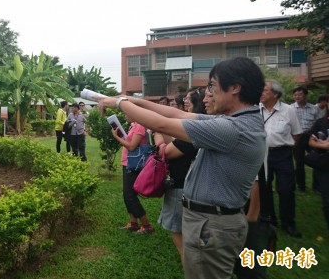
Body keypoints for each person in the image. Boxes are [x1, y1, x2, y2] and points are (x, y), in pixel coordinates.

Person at [96, 57, 266, 279]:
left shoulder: (232, 129)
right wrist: (129, 99)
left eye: (212, 86)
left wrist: (118, 104)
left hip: (212, 224)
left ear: (235, 88)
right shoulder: (238, 122)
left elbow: (162, 124)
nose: (209, 93)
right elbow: (177, 114)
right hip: (212, 220)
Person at [153, 88, 204, 265]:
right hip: (190, 186)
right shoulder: (199, 127)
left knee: (181, 236)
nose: (184, 102)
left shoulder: (195, 130)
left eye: (188, 99)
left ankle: (189, 267)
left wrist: (158, 134)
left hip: (181, 186)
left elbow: (168, 152)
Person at [261, 80, 303, 238]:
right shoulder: (256, 109)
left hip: (283, 154)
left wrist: (286, 147)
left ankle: (288, 223)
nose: (261, 93)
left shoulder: (288, 110)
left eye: (264, 90)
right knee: (264, 188)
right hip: (262, 154)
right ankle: (270, 220)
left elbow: (296, 134)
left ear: (275, 94)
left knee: (286, 189)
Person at [113, 116, 154, 234]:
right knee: (127, 195)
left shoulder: (139, 126)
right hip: (127, 163)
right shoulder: (134, 125)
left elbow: (132, 146)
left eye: (127, 113)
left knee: (129, 196)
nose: (125, 115)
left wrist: (116, 137)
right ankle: (133, 223)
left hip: (133, 164)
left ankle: (147, 225)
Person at [291, 86, 320, 191]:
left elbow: (318, 123)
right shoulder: (290, 108)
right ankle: (301, 185)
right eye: (295, 95)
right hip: (298, 136)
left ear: (306, 95)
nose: (297, 96)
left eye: (300, 94)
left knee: (317, 160)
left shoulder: (314, 108)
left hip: (311, 136)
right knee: (299, 162)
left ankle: (317, 186)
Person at [307, 114, 329, 232]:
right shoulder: (321, 122)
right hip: (325, 166)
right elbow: (311, 141)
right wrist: (324, 145)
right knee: (327, 200)